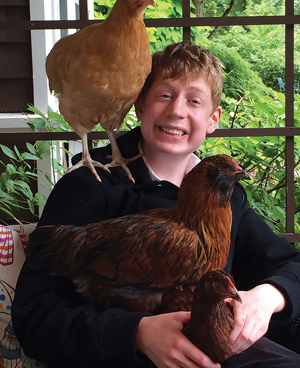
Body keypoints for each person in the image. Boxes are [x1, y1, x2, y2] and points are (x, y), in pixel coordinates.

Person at [12, 41, 300, 368]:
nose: (176, 110)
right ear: (139, 105)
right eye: (165, 95)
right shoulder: (89, 187)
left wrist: (266, 298)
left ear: (212, 119)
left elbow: (289, 265)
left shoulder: (225, 197)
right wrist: (137, 333)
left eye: (194, 100)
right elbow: (36, 317)